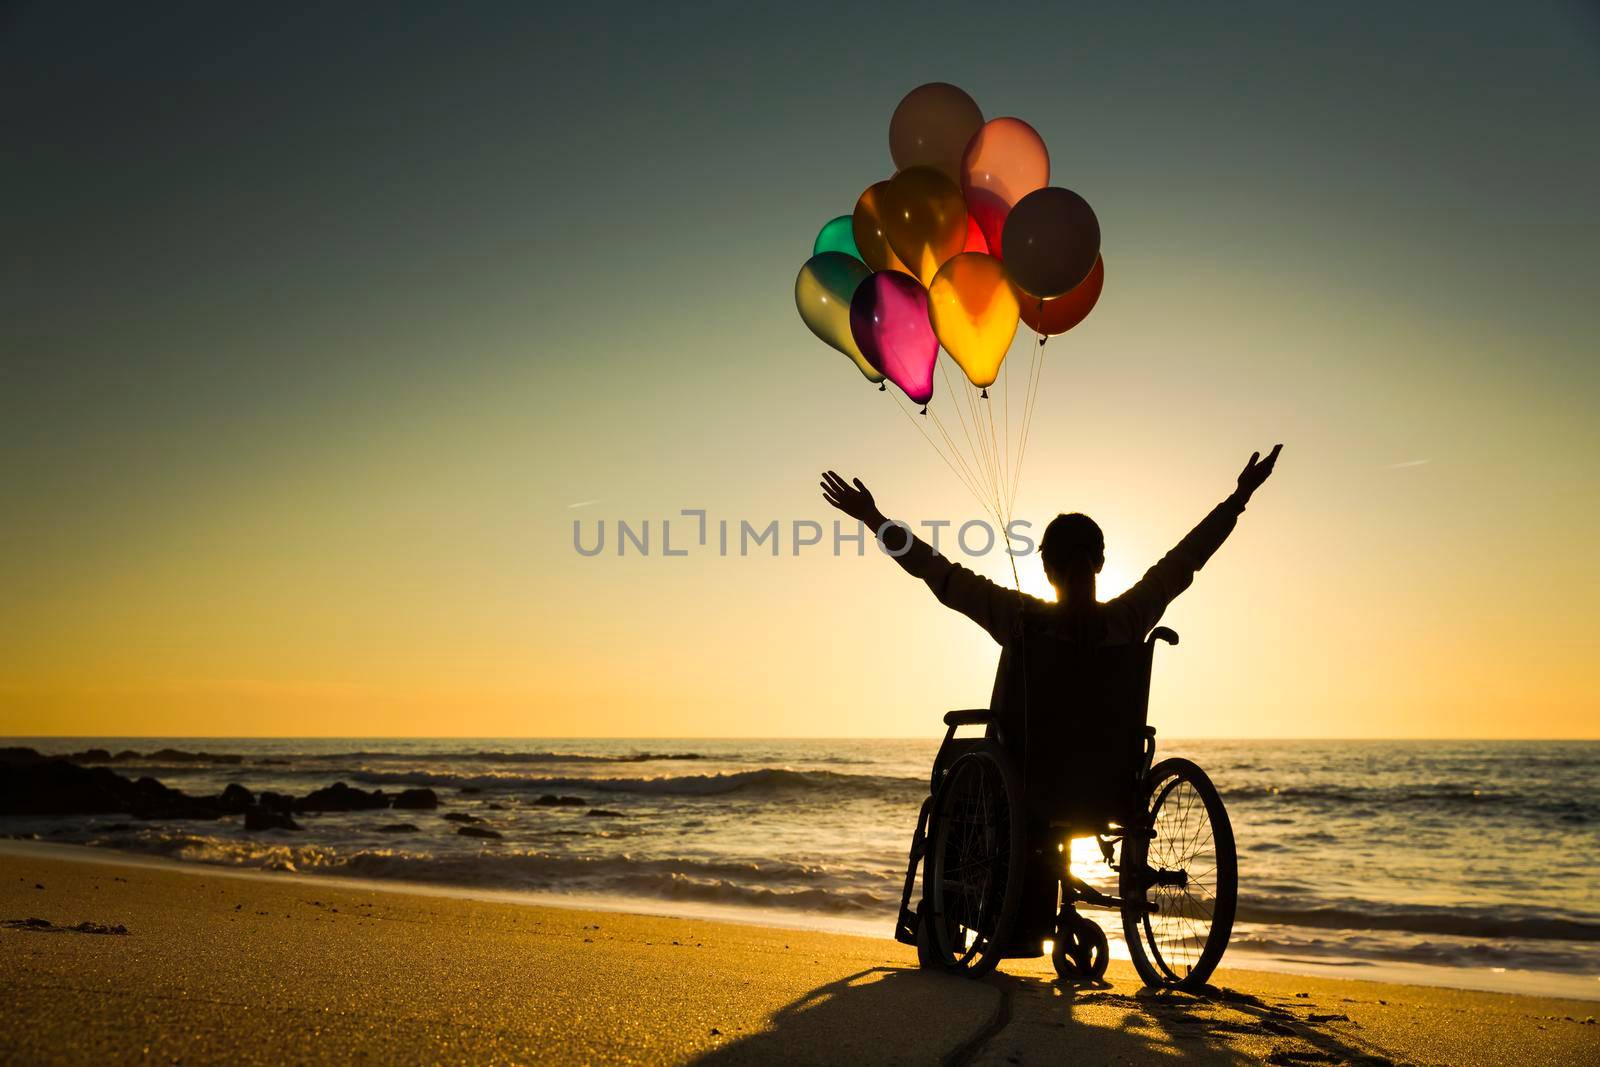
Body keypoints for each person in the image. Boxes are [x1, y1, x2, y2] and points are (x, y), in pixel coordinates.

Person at [820, 444, 1281, 954]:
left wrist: (874, 518)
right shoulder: (1129, 619)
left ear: (1046, 568)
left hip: (1024, 788)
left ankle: (951, 921)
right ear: (1101, 561)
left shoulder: (1019, 617)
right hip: (1108, 789)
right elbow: (1183, 563)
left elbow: (938, 573)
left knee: (958, 768)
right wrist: (1237, 499)